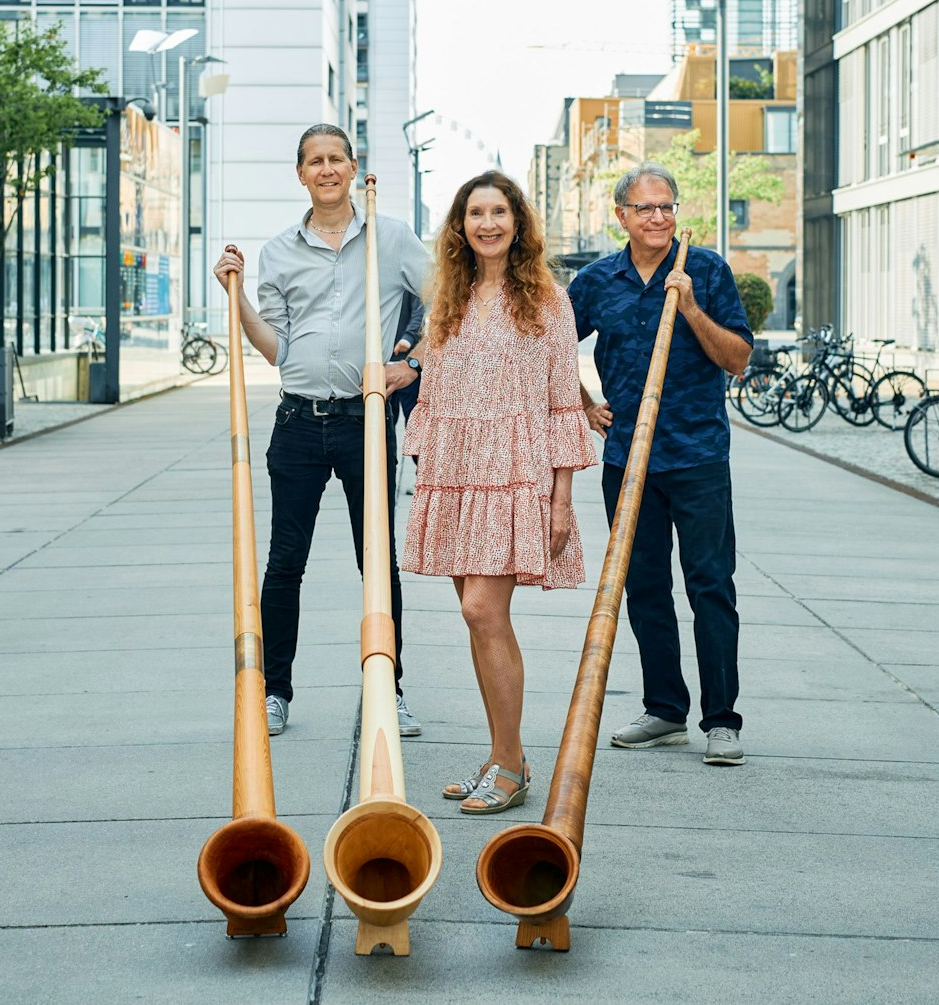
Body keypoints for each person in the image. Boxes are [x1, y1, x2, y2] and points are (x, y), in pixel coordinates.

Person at [214, 124, 426, 739]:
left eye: (336, 158)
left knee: (377, 562)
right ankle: (274, 692)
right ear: (301, 174)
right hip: (297, 423)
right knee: (285, 562)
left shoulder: (391, 236)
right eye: (315, 161)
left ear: (354, 167)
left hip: (366, 420)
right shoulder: (279, 251)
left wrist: (413, 363)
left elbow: (447, 302)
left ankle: (389, 690)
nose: (327, 169)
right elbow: (275, 349)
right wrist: (235, 296)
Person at [400, 171, 598, 813]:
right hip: (456, 474)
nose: (487, 224)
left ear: (518, 223)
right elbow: (432, 390)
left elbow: (563, 401)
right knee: (477, 619)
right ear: (460, 226)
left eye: (499, 212)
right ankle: (499, 755)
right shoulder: (447, 299)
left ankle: (510, 765)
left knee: (483, 612)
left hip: (517, 474)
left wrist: (561, 499)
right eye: (475, 213)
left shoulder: (548, 300)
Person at [567, 162, 753, 768]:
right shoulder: (598, 280)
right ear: (621, 215)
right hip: (628, 459)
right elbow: (549, 349)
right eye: (645, 208)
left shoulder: (707, 270)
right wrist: (584, 403)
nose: (658, 217)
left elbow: (738, 359)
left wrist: (692, 307)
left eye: (666, 206)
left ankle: (721, 720)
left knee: (710, 587)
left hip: (698, 456)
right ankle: (666, 710)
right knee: (644, 587)